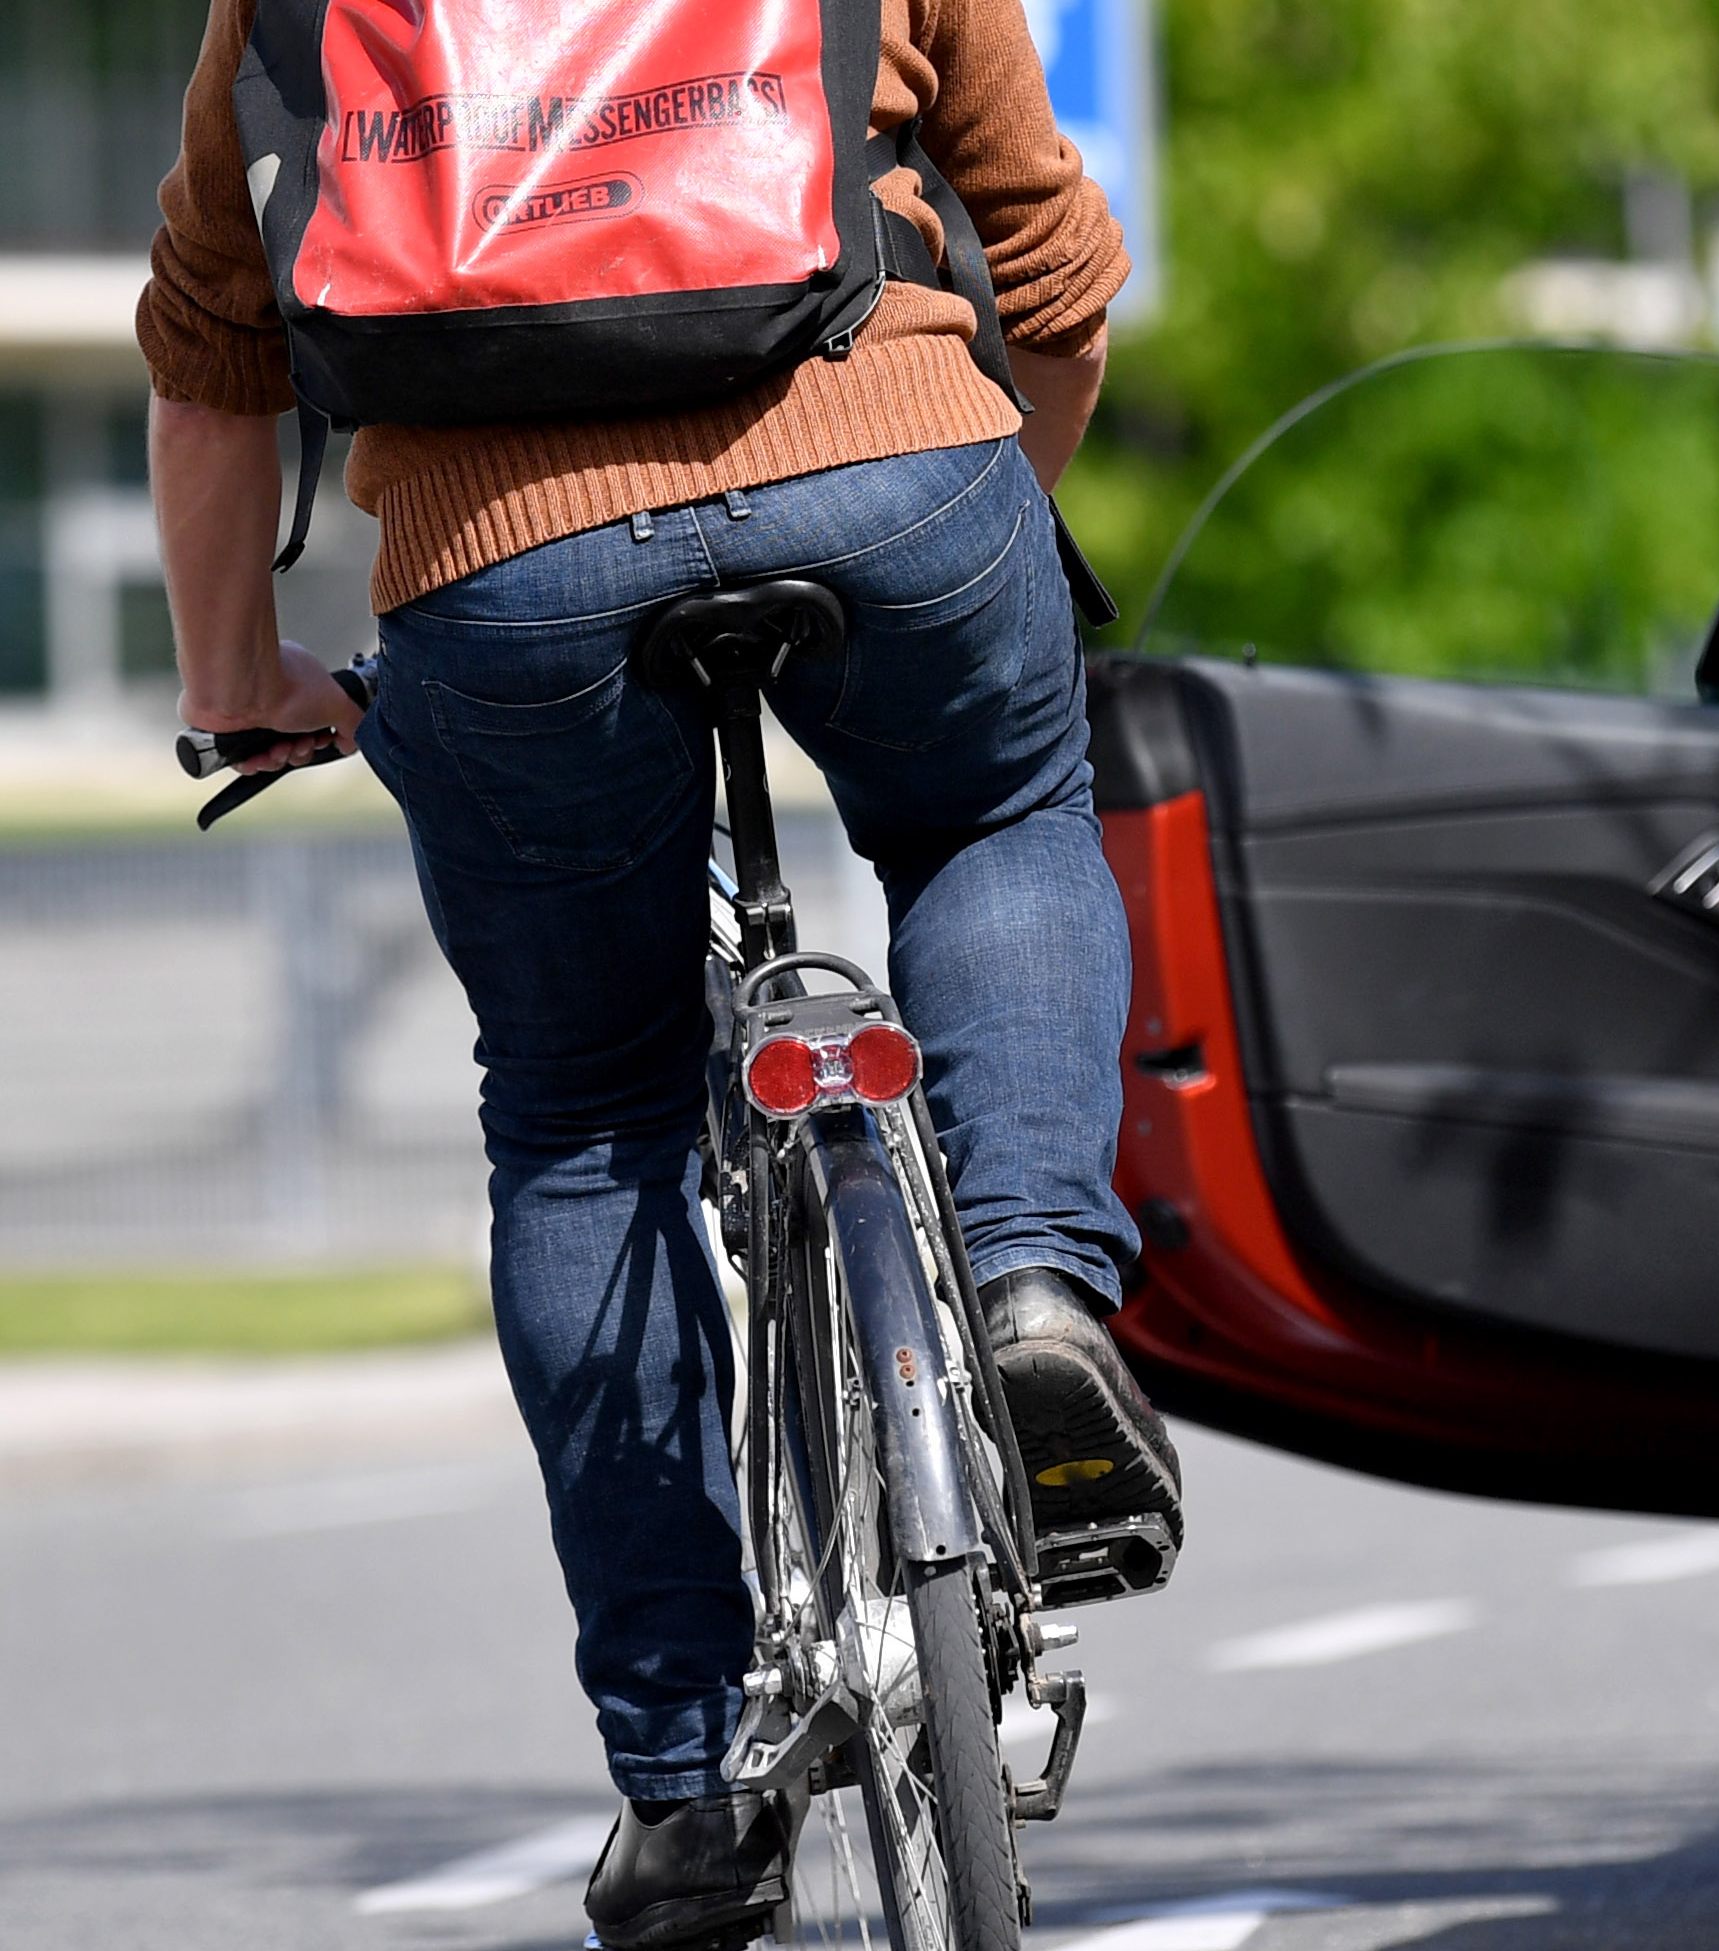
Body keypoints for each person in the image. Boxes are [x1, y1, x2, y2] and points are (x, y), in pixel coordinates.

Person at [139, 3, 1179, 1941]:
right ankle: (1035, 1290)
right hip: (904, 473)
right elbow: (1054, 267)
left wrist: (235, 687)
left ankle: (686, 1781)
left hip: (502, 567)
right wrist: (985, 515)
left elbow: (210, 368)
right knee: (987, 822)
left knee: (581, 1114)